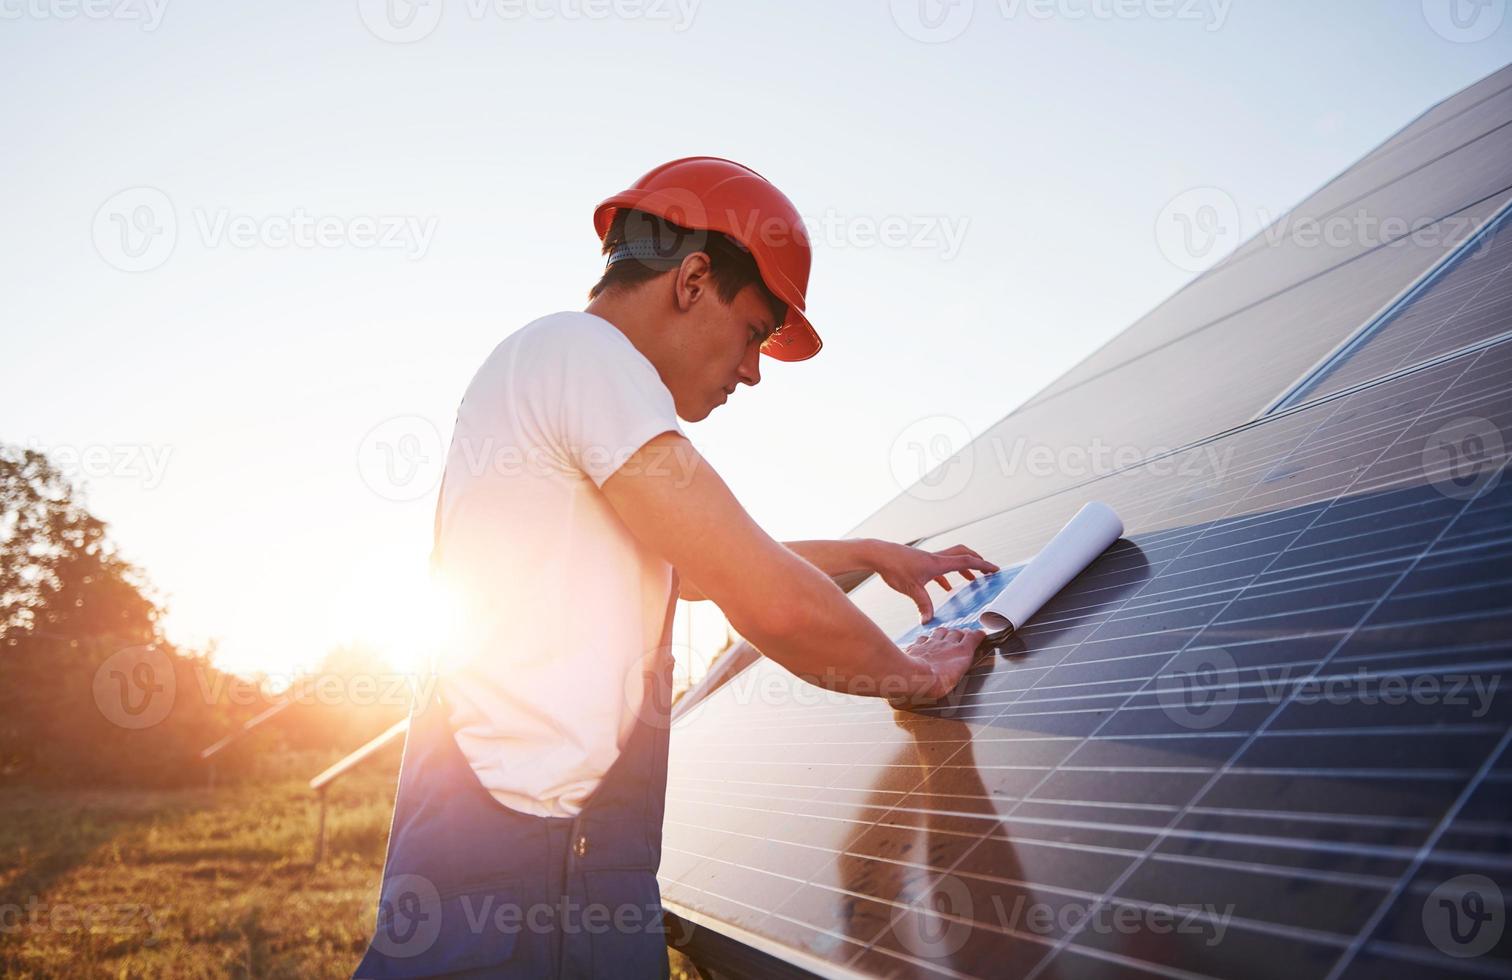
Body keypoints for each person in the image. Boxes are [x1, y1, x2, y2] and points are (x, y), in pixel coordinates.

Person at [354, 156, 995, 979]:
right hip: (517, 879)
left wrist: (870, 557)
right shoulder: (581, 352)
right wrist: (914, 676)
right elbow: (765, 597)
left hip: (562, 867)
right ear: (693, 279)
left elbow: (699, 567)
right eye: (757, 331)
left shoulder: (557, 381)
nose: (754, 369)